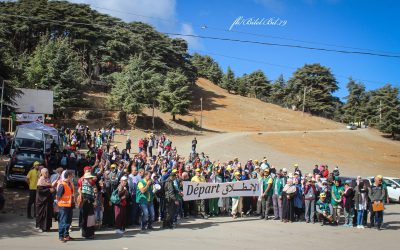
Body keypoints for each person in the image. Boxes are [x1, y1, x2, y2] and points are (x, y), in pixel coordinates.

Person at [56, 170, 75, 243]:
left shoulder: (70, 183)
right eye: (72, 175)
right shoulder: (62, 184)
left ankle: (66, 235)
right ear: (68, 176)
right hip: (64, 206)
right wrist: (59, 203)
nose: (73, 176)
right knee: (63, 221)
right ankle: (61, 236)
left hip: (70, 205)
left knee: (68, 221)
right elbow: (58, 196)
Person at [36, 168, 55, 232]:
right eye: (46, 172)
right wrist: (49, 190)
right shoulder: (41, 180)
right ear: (42, 173)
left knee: (48, 213)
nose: (47, 174)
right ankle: (41, 227)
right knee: (42, 214)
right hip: (42, 200)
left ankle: (47, 227)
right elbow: (40, 191)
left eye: (47, 172)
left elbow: (51, 187)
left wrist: (52, 189)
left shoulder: (48, 179)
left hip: (48, 199)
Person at [81, 172, 96, 239]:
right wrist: (92, 200)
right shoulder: (85, 185)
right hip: (87, 203)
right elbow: (86, 195)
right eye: (90, 178)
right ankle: (87, 234)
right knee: (87, 218)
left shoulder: (88, 184)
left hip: (89, 203)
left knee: (89, 218)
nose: (91, 179)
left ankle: (88, 233)